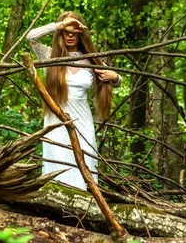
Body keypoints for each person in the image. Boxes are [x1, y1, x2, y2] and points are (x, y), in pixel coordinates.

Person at [26, 11, 121, 189]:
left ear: (81, 34)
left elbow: (114, 81)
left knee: (85, 165)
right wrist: (60, 24)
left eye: (74, 32)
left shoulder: (90, 60)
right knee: (60, 164)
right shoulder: (49, 56)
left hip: (82, 122)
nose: (70, 36)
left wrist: (116, 77)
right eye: (66, 32)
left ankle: (84, 208)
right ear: (60, 33)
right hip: (56, 122)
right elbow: (30, 38)